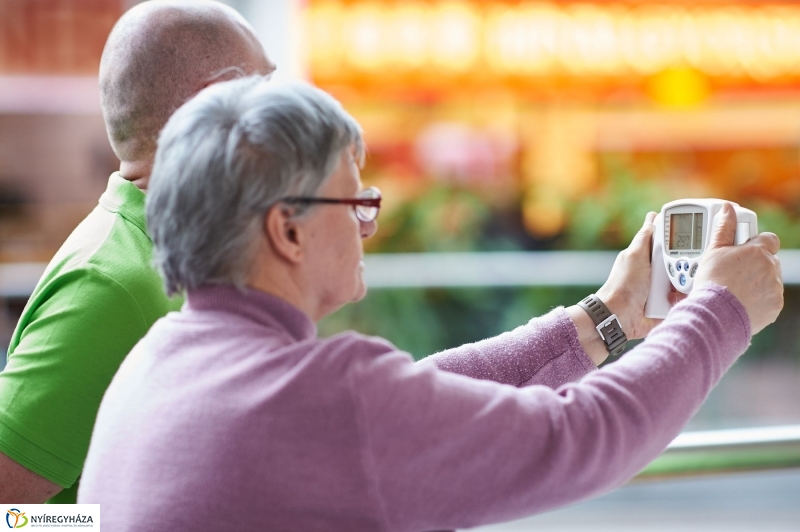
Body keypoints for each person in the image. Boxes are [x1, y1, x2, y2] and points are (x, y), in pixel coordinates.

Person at [78, 77, 782, 531]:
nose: (367, 225)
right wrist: (721, 311)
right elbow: (584, 436)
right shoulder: (323, 400)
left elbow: (414, 402)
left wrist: (608, 318)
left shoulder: (158, 360)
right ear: (287, 230)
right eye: (355, 201)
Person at [0, 1, 274, 503]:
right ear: (211, 108)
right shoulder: (113, 284)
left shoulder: (171, 252)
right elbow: (8, 514)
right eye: (268, 94)